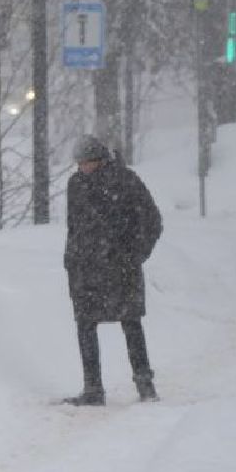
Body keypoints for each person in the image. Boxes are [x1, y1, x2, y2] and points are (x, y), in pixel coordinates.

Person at [62, 135, 164, 405]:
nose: (82, 167)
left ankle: (145, 386)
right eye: (79, 163)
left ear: (99, 159)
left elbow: (151, 220)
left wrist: (134, 255)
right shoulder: (76, 185)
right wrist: (71, 260)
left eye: (87, 162)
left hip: (120, 269)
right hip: (85, 270)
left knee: (131, 324)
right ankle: (93, 389)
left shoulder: (126, 181)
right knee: (85, 327)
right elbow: (73, 228)